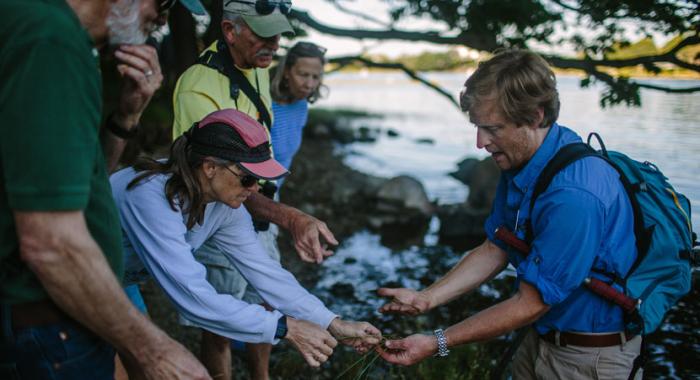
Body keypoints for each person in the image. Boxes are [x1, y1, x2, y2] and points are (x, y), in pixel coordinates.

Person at [376, 50, 641, 379]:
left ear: (533, 117)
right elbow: (497, 247)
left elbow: (529, 303)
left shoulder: (573, 197)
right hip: (539, 335)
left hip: (588, 357)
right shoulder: (522, 160)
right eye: (477, 126)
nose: (480, 142)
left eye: (492, 129)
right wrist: (426, 298)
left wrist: (436, 342)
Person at [0, 0, 210, 379]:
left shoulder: (64, 41)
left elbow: (76, 185)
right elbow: (50, 243)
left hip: (68, 314)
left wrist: (128, 115)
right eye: (163, 2)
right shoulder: (50, 39)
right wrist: (155, 352)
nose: (165, 16)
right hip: (51, 323)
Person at [111, 109, 381, 378]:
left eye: (260, 180)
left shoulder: (225, 206)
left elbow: (265, 273)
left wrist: (332, 322)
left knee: (142, 369)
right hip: (79, 272)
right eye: (248, 178)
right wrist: (285, 328)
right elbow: (192, 296)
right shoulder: (150, 197)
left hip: (119, 279)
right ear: (210, 167)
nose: (255, 190)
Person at [171, 1, 340, 378]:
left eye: (278, 33)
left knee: (267, 302)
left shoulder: (255, 63)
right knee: (220, 325)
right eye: (263, 34)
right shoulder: (197, 88)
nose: (274, 43)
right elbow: (221, 186)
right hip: (215, 217)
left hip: (255, 209)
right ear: (230, 31)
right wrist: (290, 217)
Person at [269, 41, 327, 181]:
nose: (309, 85)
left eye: (315, 77)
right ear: (287, 72)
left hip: (275, 188)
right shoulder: (265, 103)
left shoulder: (301, 104)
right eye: (303, 74)